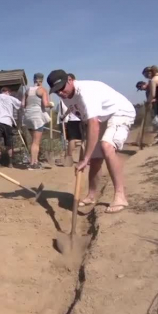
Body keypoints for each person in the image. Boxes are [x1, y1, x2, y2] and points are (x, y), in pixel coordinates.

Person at [48, 70, 135, 214]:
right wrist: (87, 153)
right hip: (102, 118)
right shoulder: (65, 96)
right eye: (57, 91)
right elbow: (86, 121)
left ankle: (120, 196)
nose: (61, 93)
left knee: (106, 146)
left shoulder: (86, 92)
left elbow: (93, 123)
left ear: (70, 80)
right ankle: (91, 195)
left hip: (119, 112)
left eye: (62, 88)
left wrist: (84, 158)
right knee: (95, 158)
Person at [22, 73, 54, 170]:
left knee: (33, 141)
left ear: (34, 79)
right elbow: (45, 104)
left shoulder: (28, 90)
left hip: (28, 116)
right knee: (36, 142)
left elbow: (22, 104)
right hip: (37, 116)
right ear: (42, 80)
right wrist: (51, 104)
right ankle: (32, 164)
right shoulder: (42, 90)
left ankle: (35, 161)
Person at [57, 73, 82, 167]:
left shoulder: (76, 92)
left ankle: (69, 157)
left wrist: (64, 115)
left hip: (75, 119)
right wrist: (64, 115)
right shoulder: (74, 93)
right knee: (82, 140)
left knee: (72, 140)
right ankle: (76, 159)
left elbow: (71, 107)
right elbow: (71, 107)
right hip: (79, 119)